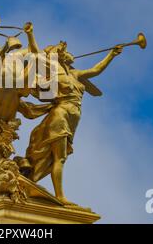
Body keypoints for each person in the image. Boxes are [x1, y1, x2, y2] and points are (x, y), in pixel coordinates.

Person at [23, 24, 123, 204]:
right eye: (64, 50)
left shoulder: (75, 74)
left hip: (73, 118)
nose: (70, 54)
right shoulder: (53, 71)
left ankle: (48, 188)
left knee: (60, 157)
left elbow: (96, 70)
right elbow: (36, 54)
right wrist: (30, 34)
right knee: (59, 158)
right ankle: (60, 196)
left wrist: (111, 55)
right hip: (60, 115)